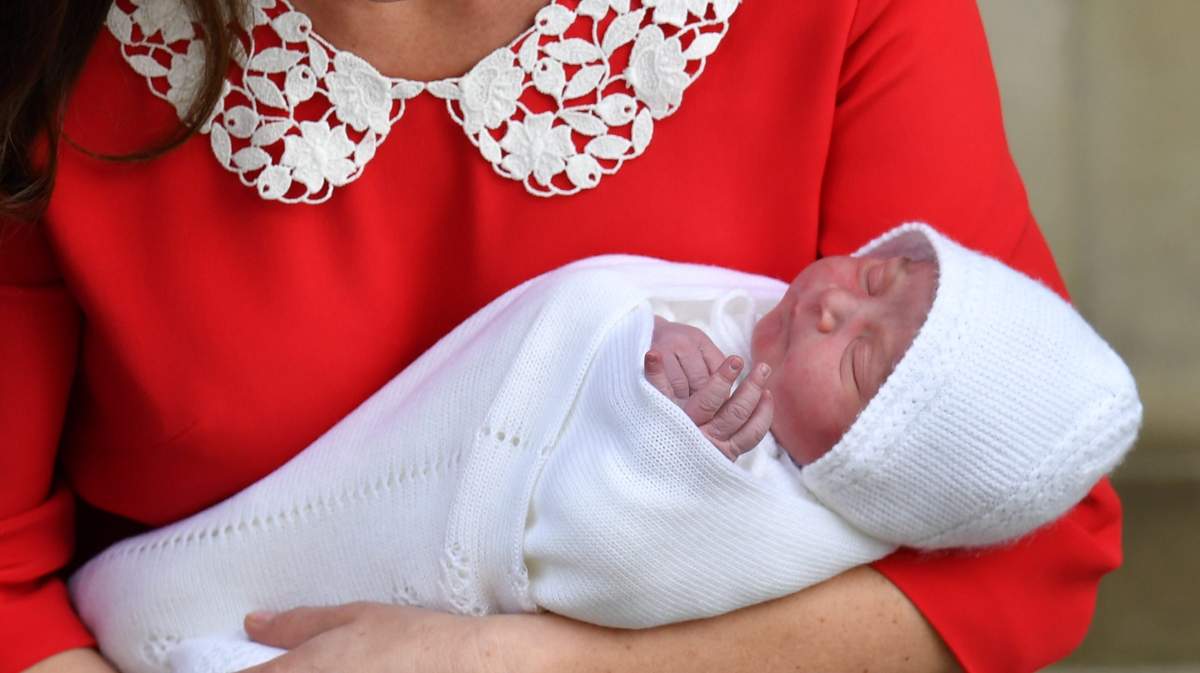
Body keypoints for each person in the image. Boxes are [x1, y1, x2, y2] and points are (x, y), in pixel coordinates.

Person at [0, 1, 1125, 673]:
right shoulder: (54, 40)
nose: (843, 307)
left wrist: (546, 664)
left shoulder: (834, 14)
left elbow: (1027, 548)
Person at [65, 223, 1139, 673]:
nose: (831, 310)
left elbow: (613, 557)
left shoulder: (781, 515)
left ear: (869, 474)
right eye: (875, 277)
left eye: (862, 363)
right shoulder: (765, 330)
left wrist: (663, 440)